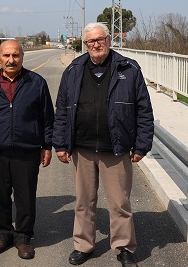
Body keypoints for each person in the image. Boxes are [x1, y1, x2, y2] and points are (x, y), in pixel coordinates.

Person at [53, 22, 154, 267]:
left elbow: (143, 109)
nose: (96, 44)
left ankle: (124, 247)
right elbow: (62, 110)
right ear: (85, 44)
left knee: (119, 203)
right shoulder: (74, 70)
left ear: (109, 40)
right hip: (82, 148)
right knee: (83, 202)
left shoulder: (128, 68)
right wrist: (60, 144)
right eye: (91, 41)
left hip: (115, 148)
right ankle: (83, 245)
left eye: (100, 39)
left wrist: (142, 145)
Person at [0, 40, 54, 260]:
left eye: (16, 55)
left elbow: (48, 118)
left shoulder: (36, 83)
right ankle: (3, 234)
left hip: (27, 151)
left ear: (22, 57)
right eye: (6, 56)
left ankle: (23, 237)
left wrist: (46, 146)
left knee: (25, 197)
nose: (11, 60)